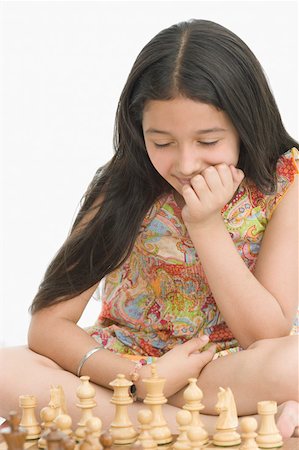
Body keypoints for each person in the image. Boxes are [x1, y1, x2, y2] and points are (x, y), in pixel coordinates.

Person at [0, 19, 298, 437]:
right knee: (5, 370)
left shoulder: (286, 181)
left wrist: (205, 223)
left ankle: (149, 422)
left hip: (227, 367)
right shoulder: (123, 185)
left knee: (294, 362)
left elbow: (266, 333)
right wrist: (142, 378)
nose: (186, 163)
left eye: (208, 142)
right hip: (130, 364)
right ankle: (225, 428)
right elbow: (49, 324)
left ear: (245, 125)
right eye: (162, 143)